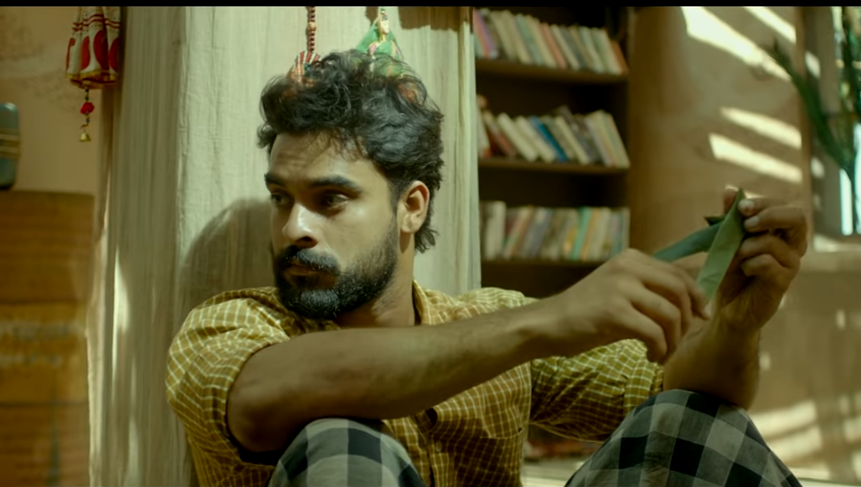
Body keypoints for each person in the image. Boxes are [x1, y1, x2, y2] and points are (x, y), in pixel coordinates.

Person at [166, 50, 807, 487]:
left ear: (411, 207)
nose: (293, 228)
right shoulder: (229, 327)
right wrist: (546, 321)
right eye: (281, 198)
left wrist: (736, 325)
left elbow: (685, 396)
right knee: (342, 443)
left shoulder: (488, 318)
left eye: (329, 199)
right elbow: (261, 401)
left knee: (689, 425)